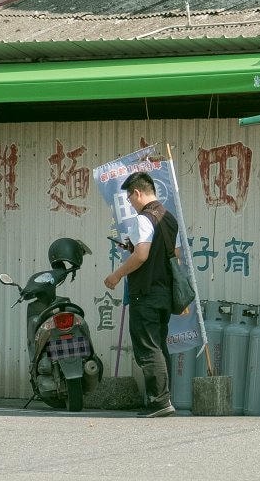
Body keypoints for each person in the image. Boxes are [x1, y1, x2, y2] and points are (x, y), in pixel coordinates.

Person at [104, 171, 181, 418]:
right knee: (158, 345)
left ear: (137, 193)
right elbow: (175, 254)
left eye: (129, 199)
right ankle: (163, 398)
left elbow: (142, 255)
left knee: (148, 347)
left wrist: (116, 275)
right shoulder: (169, 218)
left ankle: (159, 402)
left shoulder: (143, 219)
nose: (130, 204)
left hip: (145, 293)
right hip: (164, 292)